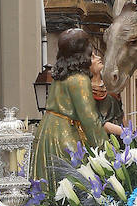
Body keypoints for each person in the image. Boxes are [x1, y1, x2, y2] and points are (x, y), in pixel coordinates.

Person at [32, 27, 121, 191]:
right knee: (76, 182)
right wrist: (108, 155)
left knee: (49, 187)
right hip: (65, 136)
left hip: (47, 133)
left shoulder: (60, 77)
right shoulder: (79, 80)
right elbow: (90, 120)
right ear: (85, 51)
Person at [91, 44, 124, 128]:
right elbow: (97, 122)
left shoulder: (109, 85)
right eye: (92, 57)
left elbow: (121, 116)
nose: (98, 58)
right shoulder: (85, 90)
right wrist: (124, 132)